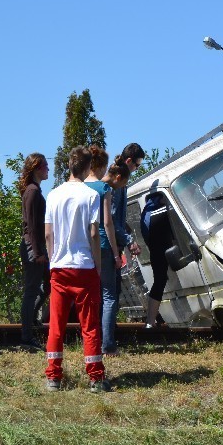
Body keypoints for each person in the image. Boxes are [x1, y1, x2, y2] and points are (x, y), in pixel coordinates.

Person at [44, 146, 111, 392]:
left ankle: (53, 376)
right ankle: (95, 378)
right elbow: (94, 232)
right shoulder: (91, 196)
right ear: (87, 167)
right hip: (84, 266)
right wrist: (98, 265)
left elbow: (48, 233)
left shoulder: (53, 195)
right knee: (90, 326)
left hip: (59, 267)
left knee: (56, 325)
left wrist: (53, 261)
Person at [84, 145, 121, 356]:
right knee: (109, 295)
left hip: (84, 246)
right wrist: (116, 253)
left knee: (90, 295)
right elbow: (108, 223)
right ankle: (107, 344)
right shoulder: (103, 189)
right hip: (104, 246)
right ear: (99, 166)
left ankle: (90, 341)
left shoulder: (78, 187)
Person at [18, 153, 50, 348]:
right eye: (46, 166)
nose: (48, 169)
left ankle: (32, 321)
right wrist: (37, 252)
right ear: (37, 168)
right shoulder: (32, 191)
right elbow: (30, 225)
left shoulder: (35, 190)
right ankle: (26, 336)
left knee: (48, 284)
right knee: (31, 291)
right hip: (33, 247)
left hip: (37, 247)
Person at [140, 192, 174, 328]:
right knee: (160, 281)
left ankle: (150, 321)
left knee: (159, 281)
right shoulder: (158, 207)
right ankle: (150, 321)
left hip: (156, 246)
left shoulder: (148, 209)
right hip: (159, 245)